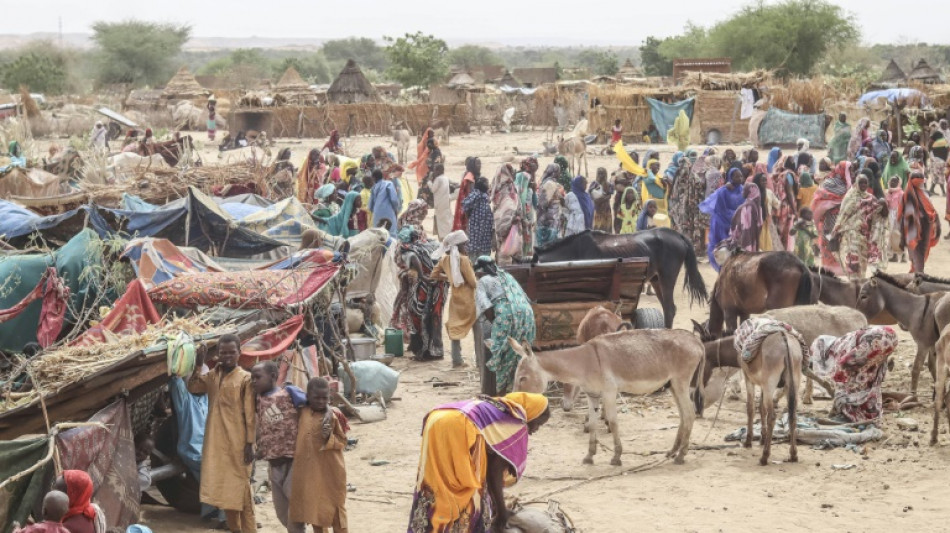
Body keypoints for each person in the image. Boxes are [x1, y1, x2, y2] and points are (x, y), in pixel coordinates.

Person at [407, 392, 550, 533]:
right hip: (460, 424)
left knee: (437, 481)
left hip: (437, 417)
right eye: (538, 424)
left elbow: (489, 466)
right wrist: (501, 511)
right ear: (532, 414)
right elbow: (494, 472)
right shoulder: (515, 421)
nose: (534, 430)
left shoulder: (497, 408)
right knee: (467, 490)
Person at [187, 335, 256, 533]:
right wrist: (199, 364)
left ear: (239, 353)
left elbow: (251, 414)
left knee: (242, 494)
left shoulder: (245, 379)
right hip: (216, 444)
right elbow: (192, 387)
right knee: (227, 493)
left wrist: (250, 443)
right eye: (223, 352)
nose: (227, 356)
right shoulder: (212, 376)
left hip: (238, 443)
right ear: (217, 354)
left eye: (231, 352)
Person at [252, 362, 306, 533]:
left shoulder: (288, 393)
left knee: (296, 507)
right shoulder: (257, 399)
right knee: (281, 510)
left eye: (258, 377)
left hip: (293, 460)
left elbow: (312, 405)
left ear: (274, 376)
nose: (254, 381)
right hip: (273, 462)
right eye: (252, 378)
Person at [290, 378, 349, 533]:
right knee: (314, 510)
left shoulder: (333, 415)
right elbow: (289, 390)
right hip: (309, 472)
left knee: (336, 511)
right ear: (308, 397)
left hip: (331, 471)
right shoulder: (303, 412)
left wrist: (328, 437)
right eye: (317, 398)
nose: (321, 401)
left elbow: (343, 441)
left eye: (325, 398)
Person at [474, 257, 536, 394]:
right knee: (520, 352)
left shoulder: (483, 281)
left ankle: (503, 392)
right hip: (527, 314)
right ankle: (522, 389)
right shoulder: (507, 276)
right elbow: (525, 298)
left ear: (480, 271)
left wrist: (496, 325)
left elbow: (486, 307)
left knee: (502, 352)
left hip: (506, 313)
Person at [810, 327, 898, 423]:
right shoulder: (843, 340)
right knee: (870, 373)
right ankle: (870, 411)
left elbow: (844, 364)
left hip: (875, 341)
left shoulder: (836, 350)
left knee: (850, 381)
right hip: (890, 336)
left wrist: (835, 382)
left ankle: (850, 414)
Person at [392, 225, 448, 361]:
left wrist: (422, 276)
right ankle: (433, 349)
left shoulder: (407, 250)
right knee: (434, 317)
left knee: (420, 315)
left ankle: (425, 351)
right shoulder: (429, 244)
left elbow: (413, 259)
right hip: (439, 284)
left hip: (427, 284)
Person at [430, 231, 478, 368]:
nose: (466, 248)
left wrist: (449, 279)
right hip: (468, 298)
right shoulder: (463, 260)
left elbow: (434, 275)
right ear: (458, 246)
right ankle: (480, 360)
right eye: (464, 245)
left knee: (455, 327)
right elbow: (473, 282)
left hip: (455, 298)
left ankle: (456, 360)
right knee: (477, 327)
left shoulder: (444, 260)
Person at [832, 174, 889, 280]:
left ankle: (859, 285)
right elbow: (842, 216)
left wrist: (883, 203)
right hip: (850, 234)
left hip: (864, 236)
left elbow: (881, 215)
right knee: (852, 262)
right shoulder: (850, 197)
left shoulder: (871, 198)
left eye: (865, 182)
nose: (863, 185)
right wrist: (836, 232)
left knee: (862, 264)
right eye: (861, 182)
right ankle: (854, 284)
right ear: (856, 183)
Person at [700, 168, 746, 269]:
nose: (740, 178)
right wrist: (736, 216)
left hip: (737, 224)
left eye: (741, 176)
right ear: (730, 177)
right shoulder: (723, 191)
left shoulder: (743, 190)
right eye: (737, 176)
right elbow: (721, 210)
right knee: (722, 250)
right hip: (722, 223)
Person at [812, 161, 852, 275]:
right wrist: (833, 203)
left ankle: (841, 269)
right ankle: (829, 269)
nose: (852, 172)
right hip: (830, 218)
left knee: (842, 242)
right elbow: (819, 198)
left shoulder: (849, 184)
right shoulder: (829, 183)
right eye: (849, 170)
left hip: (844, 219)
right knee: (829, 240)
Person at [900, 170, 940, 272]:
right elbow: (904, 216)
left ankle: (916, 272)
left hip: (925, 227)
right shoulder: (908, 196)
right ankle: (917, 274)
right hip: (913, 230)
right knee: (917, 253)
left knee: (921, 252)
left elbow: (931, 210)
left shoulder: (925, 194)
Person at [670, 150, 707, 256]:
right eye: (682, 167)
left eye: (685, 167)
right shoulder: (677, 178)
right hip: (680, 210)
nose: (683, 170)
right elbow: (673, 195)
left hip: (691, 209)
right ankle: (681, 250)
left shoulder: (694, 178)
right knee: (682, 228)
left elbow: (699, 193)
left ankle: (691, 251)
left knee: (691, 229)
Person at [490, 164, 523, 264]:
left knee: (504, 258)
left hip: (503, 230)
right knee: (510, 259)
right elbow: (516, 209)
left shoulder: (497, 188)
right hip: (512, 229)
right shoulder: (510, 189)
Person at [462, 176, 494, 260]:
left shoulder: (484, 196)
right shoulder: (477, 194)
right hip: (476, 224)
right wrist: (468, 218)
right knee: (475, 249)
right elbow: (465, 204)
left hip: (484, 225)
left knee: (482, 247)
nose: (488, 185)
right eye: (487, 183)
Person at [535, 164, 565, 248]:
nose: (559, 174)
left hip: (546, 221)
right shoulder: (550, 184)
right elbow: (543, 204)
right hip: (549, 222)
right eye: (558, 172)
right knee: (549, 247)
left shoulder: (550, 183)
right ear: (554, 172)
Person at [514, 157, 539, 257]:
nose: (533, 174)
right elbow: (518, 198)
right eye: (532, 171)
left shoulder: (530, 181)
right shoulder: (520, 178)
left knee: (528, 240)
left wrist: (533, 190)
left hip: (529, 218)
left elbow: (535, 203)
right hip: (520, 217)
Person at [731, 183, 764, 252]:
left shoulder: (747, 206)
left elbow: (742, 226)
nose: (742, 192)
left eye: (744, 190)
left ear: (750, 192)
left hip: (745, 238)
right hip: (754, 238)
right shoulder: (758, 206)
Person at [369, 169, 400, 237]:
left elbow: (370, 206)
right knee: (390, 233)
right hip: (388, 213)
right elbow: (394, 200)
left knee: (378, 235)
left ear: (373, 178)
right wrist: (396, 209)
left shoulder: (373, 188)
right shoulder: (388, 184)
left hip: (377, 214)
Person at [453, 157, 480, 232]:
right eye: (477, 164)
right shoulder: (469, 179)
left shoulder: (475, 176)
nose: (480, 166)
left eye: (480, 164)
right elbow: (470, 195)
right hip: (471, 210)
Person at [429, 163, 452, 240]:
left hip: (439, 204)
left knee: (441, 222)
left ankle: (443, 238)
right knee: (446, 220)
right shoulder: (445, 178)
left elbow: (433, 189)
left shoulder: (438, 179)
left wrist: (429, 182)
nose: (434, 171)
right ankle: (448, 235)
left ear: (439, 170)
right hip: (445, 202)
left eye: (435, 170)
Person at [885, 176, 906, 262]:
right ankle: (893, 255)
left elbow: (903, 205)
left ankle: (903, 255)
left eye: (895, 181)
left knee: (899, 235)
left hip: (898, 215)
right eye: (891, 181)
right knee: (891, 235)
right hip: (890, 215)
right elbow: (887, 204)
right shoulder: (888, 192)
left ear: (899, 183)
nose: (893, 183)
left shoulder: (901, 193)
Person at [589, 167, 614, 233]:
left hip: (606, 209)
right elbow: (590, 195)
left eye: (602, 174)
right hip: (598, 209)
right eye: (599, 173)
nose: (601, 175)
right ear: (597, 174)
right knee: (598, 227)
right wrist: (600, 198)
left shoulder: (608, 184)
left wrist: (601, 199)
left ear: (605, 174)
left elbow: (609, 196)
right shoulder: (594, 184)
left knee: (606, 227)